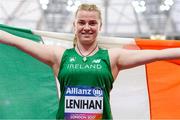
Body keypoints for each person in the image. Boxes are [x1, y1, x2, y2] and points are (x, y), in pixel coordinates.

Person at [0, 3, 180, 120]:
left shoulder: (112, 57)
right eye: (82, 22)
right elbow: (15, 41)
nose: (87, 27)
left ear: (100, 26)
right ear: (75, 25)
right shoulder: (59, 56)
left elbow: (159, 54)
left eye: (92, 23)